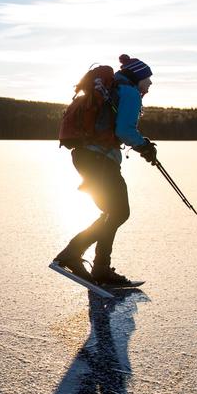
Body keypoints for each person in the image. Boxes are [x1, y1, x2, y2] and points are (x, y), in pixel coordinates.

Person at [53, 54, 157, 287]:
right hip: (99, 159)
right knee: (119, 212)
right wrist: (145, 147)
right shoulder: (129, 92)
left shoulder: (114, 89)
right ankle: (77, 257)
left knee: (112, 211)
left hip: (84, 156)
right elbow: (125, 131)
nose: (150, 83)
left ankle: (98, 266)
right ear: (137, 77)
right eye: (147, 78)